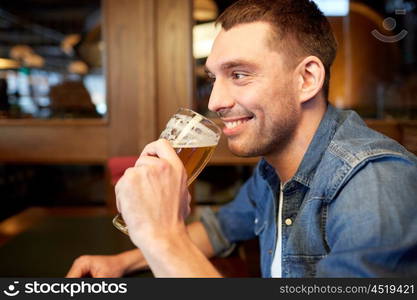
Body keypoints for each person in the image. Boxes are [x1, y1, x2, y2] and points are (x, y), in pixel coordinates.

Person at [67, 0, 417, 278]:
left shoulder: (373, 184)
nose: (215, 101)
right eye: (214, 78)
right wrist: (123, 262)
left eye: (239, 74)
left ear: (307, 79)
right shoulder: (273, 168)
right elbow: (221, 228)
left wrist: (163, 236)